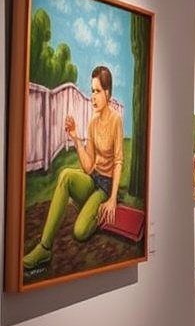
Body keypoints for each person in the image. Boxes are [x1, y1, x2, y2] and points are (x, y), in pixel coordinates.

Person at [24, 66, 123, 269]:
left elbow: (119, 161)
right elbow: (88, 167)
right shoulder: (93, 122)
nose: (93, 96)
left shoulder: (116, 120)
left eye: (97, 91)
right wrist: (76, 138)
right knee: (66, 175)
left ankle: (94, 209)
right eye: (92, 91)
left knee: (79, 232)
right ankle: (44, 247)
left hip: (105, 188)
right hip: (93, 178)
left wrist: (112, 199)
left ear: (107, 93)